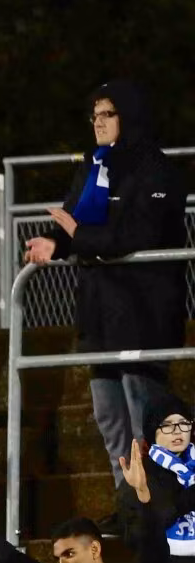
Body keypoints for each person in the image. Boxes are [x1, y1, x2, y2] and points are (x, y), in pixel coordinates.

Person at [25, 80, 188, 485]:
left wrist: (77, 235)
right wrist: (55, 242)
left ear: (128, 116)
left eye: (107, 114)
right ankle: (127, 500)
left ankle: (157, 501)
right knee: (109, 417)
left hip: (142, 315)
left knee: (145, 416)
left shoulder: (156, 168)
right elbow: (73, 222)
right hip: (100, 316)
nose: (97, 122)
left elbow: (137, 235)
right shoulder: (93, 164)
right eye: (94, 115)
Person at [115, 401, 195, 563]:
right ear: (153, 432)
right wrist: (184, 501)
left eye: (183, 423)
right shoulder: (140, 476)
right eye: (167, 425)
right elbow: (135, 537)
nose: (177, 431)